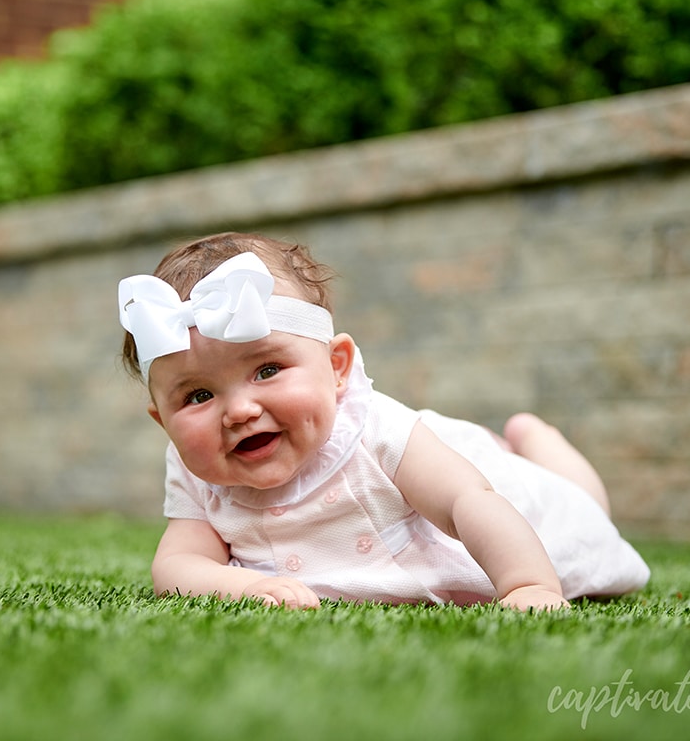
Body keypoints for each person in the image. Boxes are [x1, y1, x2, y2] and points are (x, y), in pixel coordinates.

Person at [118, 232, 650, 611]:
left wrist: (527, 585)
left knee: (582, 507)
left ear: (336, 368)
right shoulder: (195, 470)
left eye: (267, 369)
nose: (238, 411)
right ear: (163, 421)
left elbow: (470, 503)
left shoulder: (375, 432)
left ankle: (534, 439)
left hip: (511, 508)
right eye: (199, 395)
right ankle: (521, 438)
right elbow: (178, 565)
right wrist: (241, 589)